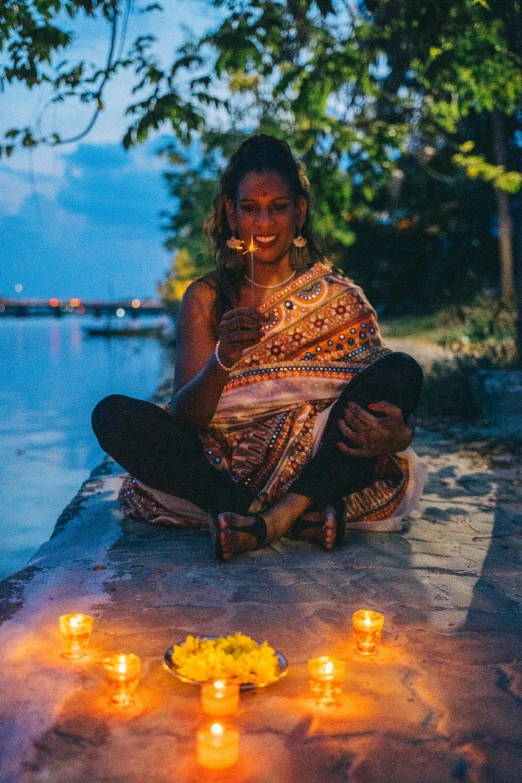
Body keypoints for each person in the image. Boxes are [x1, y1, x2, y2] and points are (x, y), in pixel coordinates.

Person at [92, 135, 425, 562]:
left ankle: (275, 516)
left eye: (278, 208)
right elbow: (187, 418)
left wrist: (399, 435)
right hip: (221, 466)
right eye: (250, 208)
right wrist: (223, 360)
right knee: (112, 416)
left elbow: (381, 395)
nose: (264, 223)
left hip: (316, 460)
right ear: (231, 214)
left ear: (300, 212)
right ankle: (244, 506)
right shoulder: (206, 297)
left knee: (402, 371)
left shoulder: (341, 297)